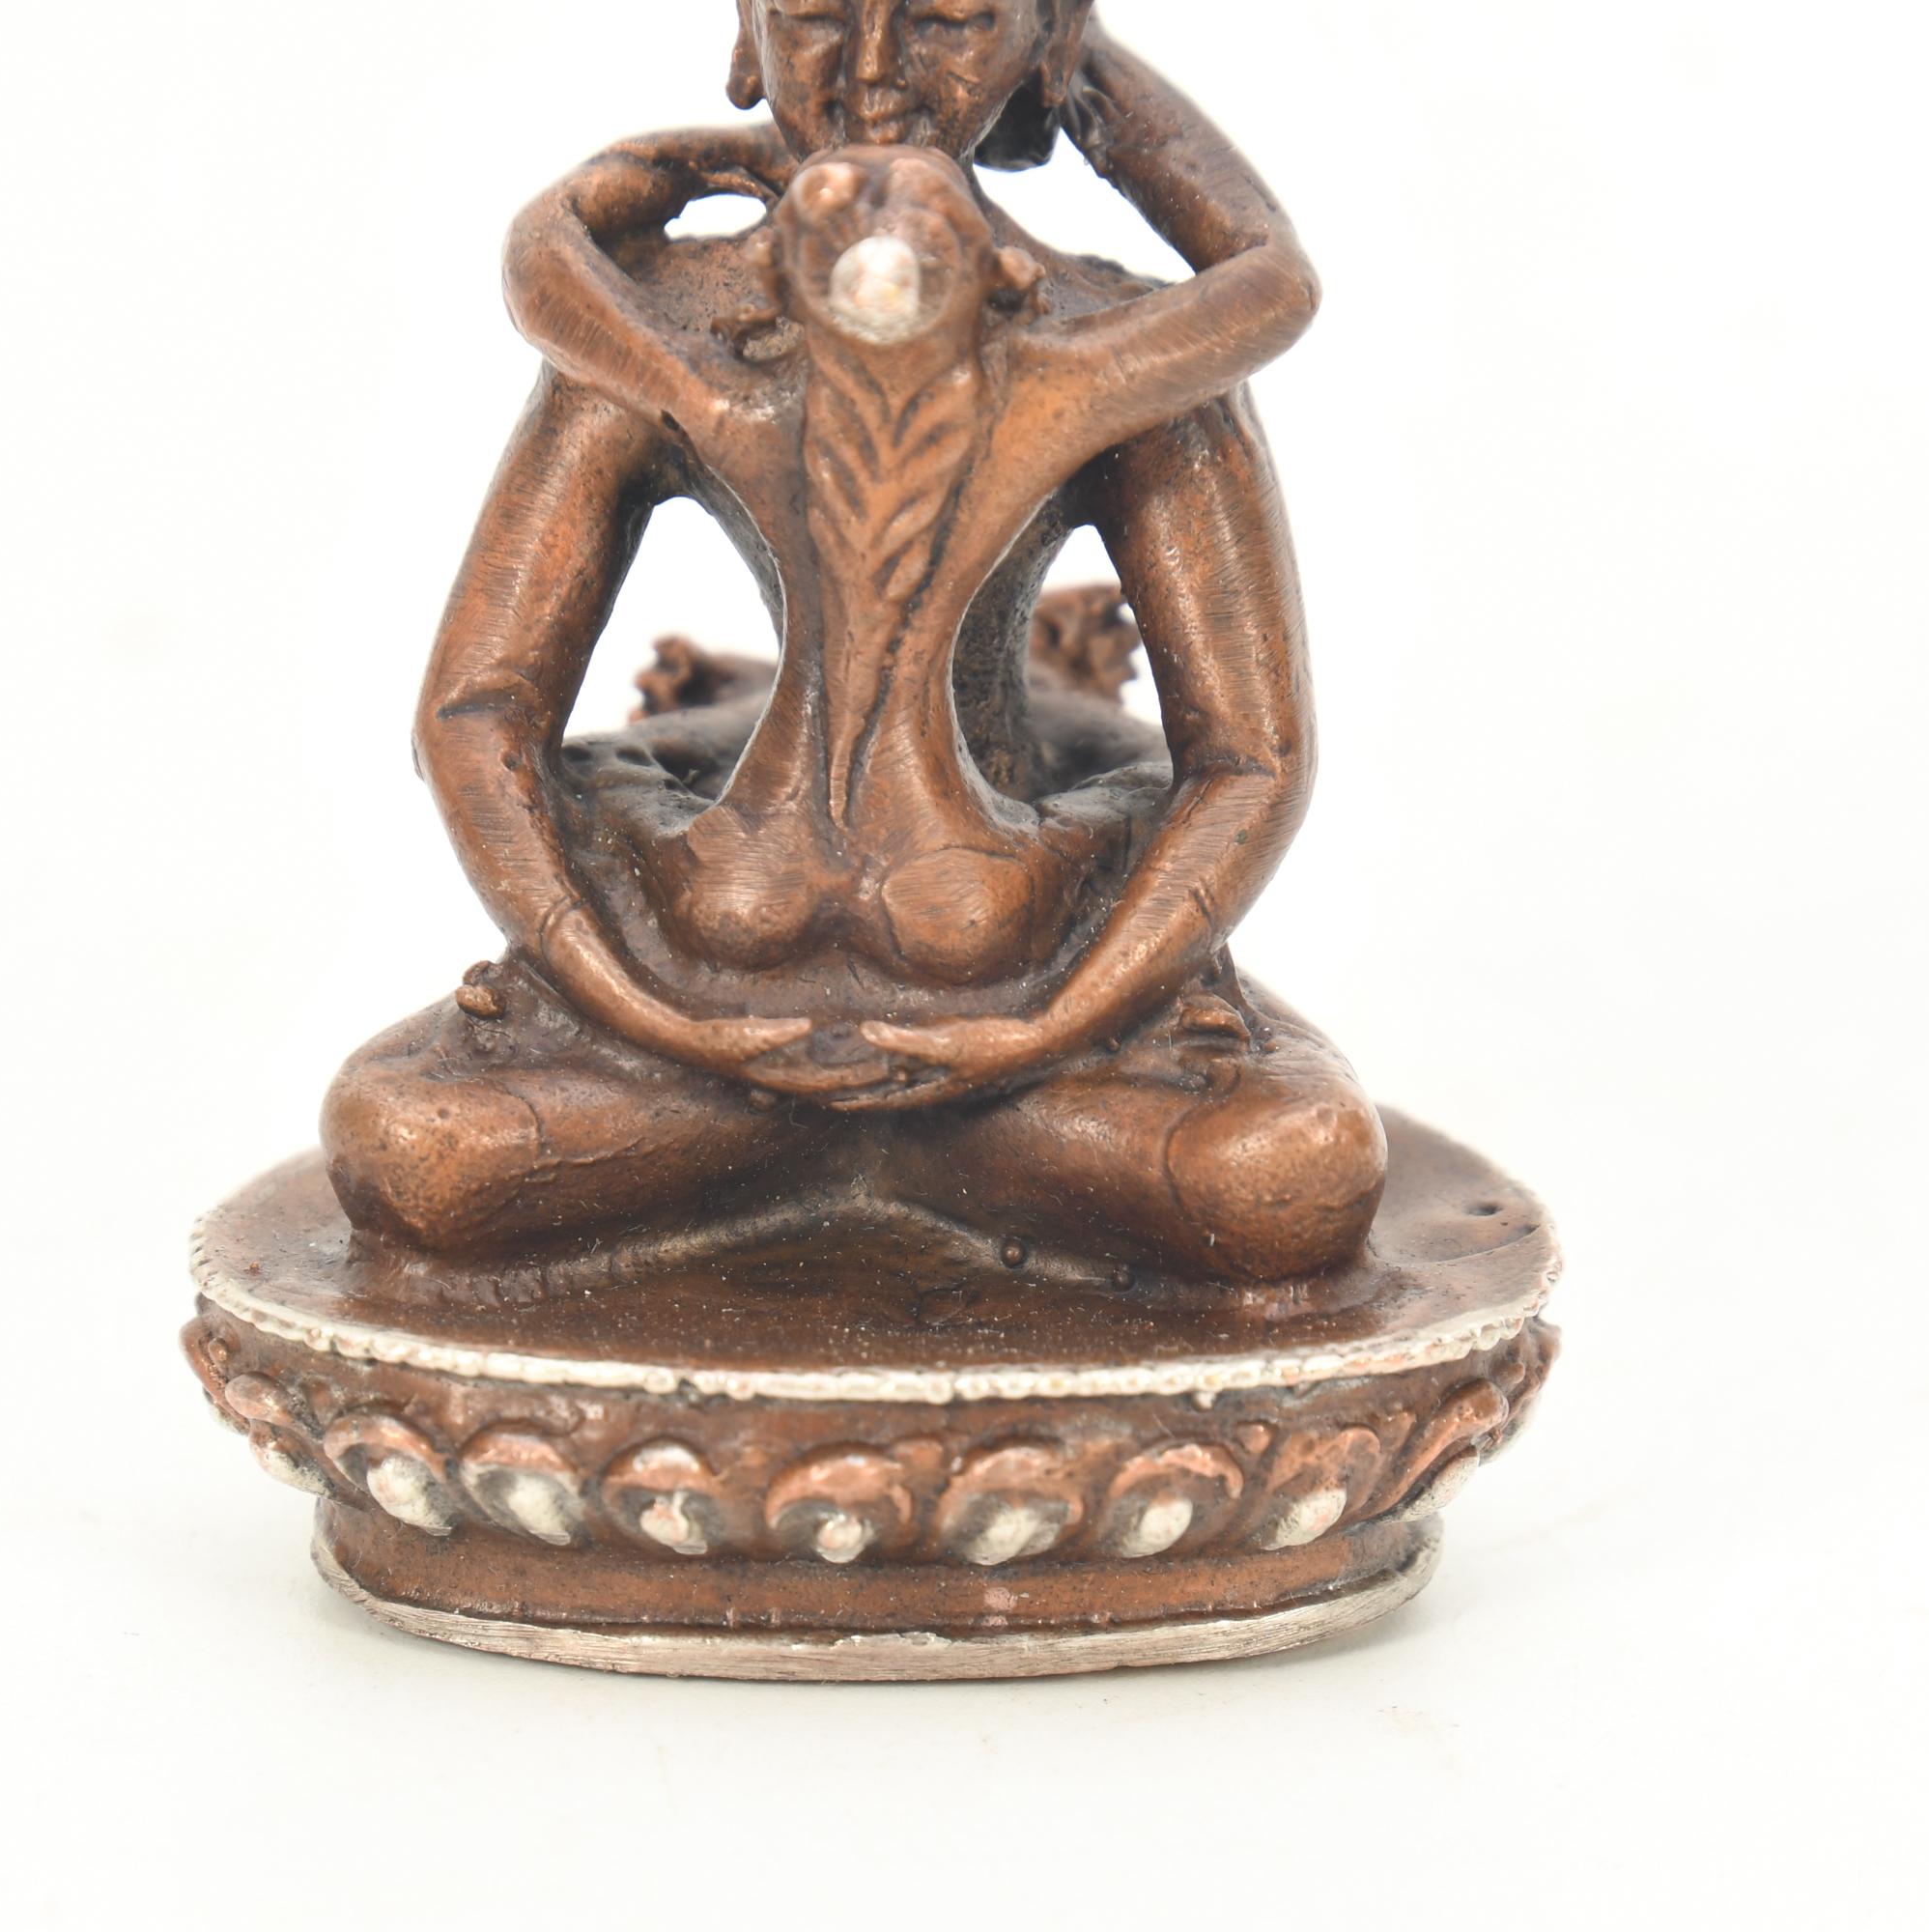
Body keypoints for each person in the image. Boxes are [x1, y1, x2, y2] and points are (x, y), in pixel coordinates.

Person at [326, 4, 1386, 1287]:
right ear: (745, 30)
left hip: (1029, 1005)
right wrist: (637, 1004)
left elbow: (1249, 760)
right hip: (703, 1004)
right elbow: (479, 715)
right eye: (817, 15)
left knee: (1282, 1175)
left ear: (1041, 40)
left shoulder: (1118, 350)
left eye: (947, 18)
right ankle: (844, 1096)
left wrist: (1046, 1024)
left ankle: (899, 1084)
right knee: (418, 1148)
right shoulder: (654, 329)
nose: (874, 77)